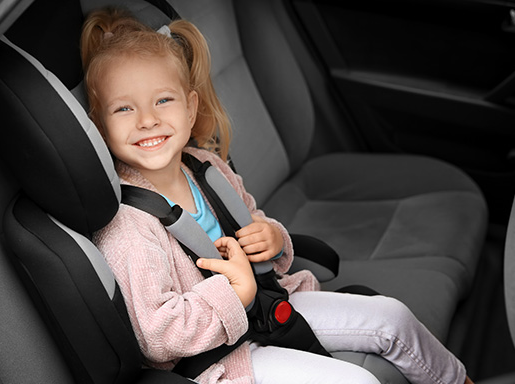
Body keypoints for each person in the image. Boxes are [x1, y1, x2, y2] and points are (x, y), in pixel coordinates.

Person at [81, 7, 473, 384]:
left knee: (393, 318)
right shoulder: (128, 226)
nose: (147, 119)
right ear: (99, 125)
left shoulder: (206, 167)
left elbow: (252, 217)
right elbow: (157, 336)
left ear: (190, 107)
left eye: (163, 100)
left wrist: (271, 238)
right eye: (124, 109)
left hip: (268, 304)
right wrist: (234, 294)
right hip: (217, 358)